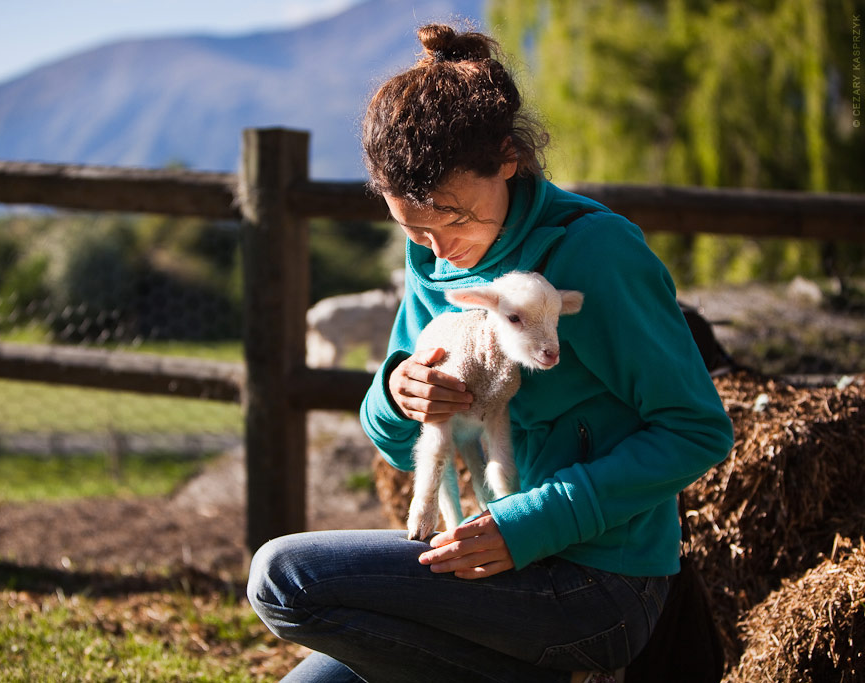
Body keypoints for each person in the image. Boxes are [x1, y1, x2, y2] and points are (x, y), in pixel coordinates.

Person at [247, 23, 734, 683]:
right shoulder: (433, 265)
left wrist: (529, 524)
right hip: (489, 562)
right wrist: (399, 394)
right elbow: (395, 444)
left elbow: (697, 429)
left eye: (453, 219)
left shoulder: (597, 253)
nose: (436, 248)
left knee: (283, 577)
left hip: (599, 584)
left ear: (507, 158)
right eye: (412, 228)